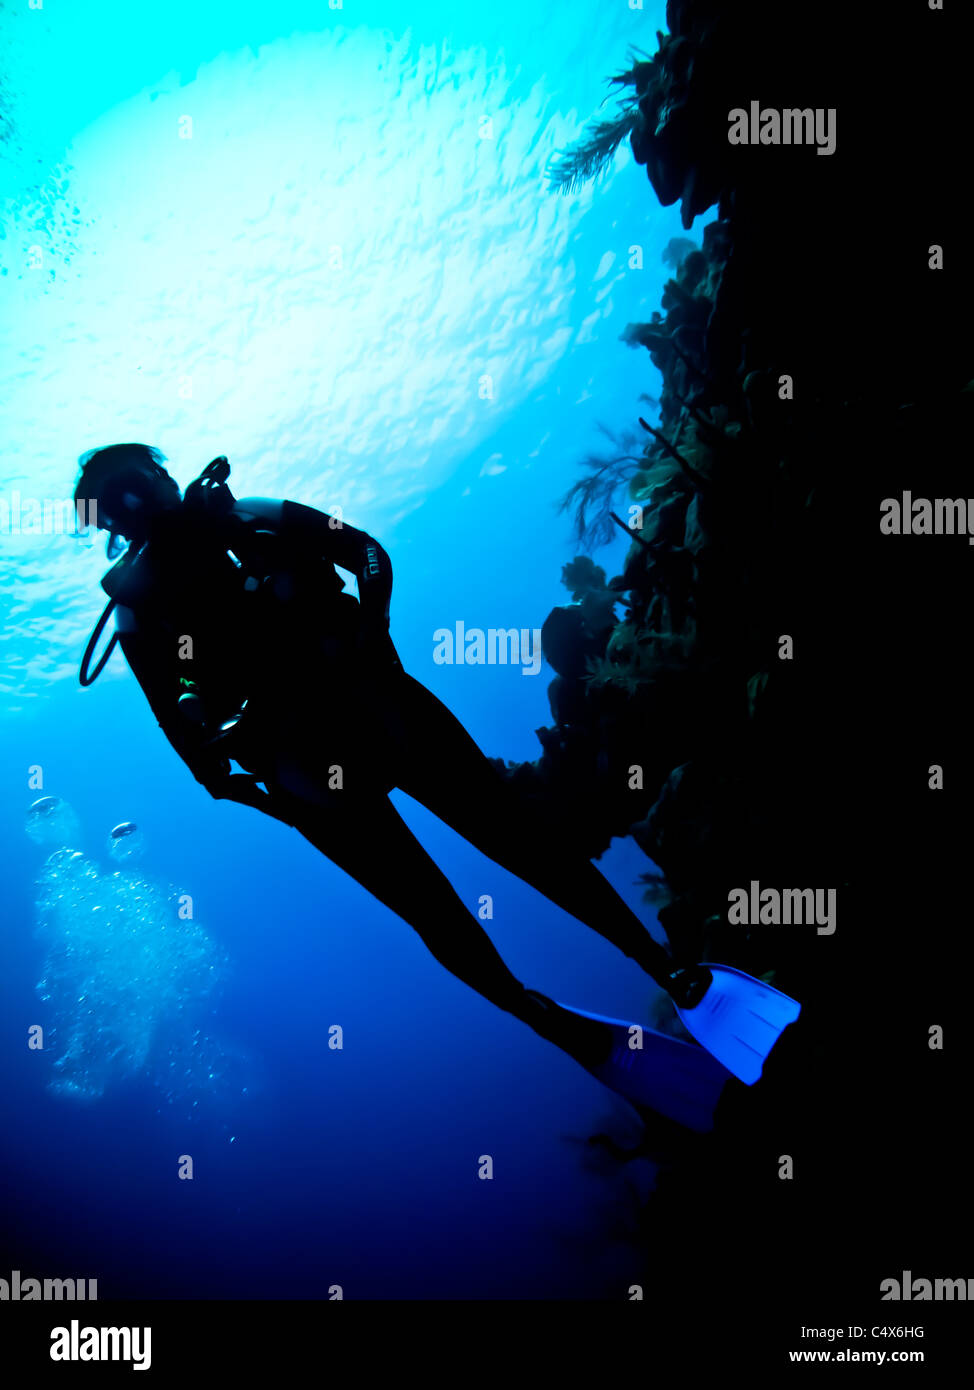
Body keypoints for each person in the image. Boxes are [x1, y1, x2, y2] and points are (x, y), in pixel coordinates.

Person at [73, 443, 713, 1082]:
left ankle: (657, 968)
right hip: (329, 749)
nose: (133, 501)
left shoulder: (247, 515)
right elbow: (198, 758)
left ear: (160, 473)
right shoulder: (137, 606)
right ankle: (558, 1014)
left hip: (365, 712)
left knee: (515, 844)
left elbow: (366, 552)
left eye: (134, 482)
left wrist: (371, 638)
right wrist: (283, 796)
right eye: (113, 499)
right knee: (451, 898)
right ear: (106, 524)